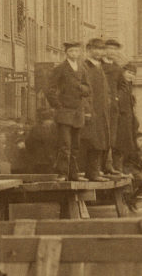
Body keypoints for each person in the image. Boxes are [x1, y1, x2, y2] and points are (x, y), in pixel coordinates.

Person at [46, 40, 91, 181]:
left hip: (78, 112)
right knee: (65, 144)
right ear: (66, 53)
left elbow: (88, 88)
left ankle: (74, 174)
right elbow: (50, 89)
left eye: (77, 51)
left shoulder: (83, 69)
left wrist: (81, 89)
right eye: (71, 51)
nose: (74, 54)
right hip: (64, 112)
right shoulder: (60, 68)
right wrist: (58, 106)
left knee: (76, 146)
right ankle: (63, 173)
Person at [80, 37, 111, 181]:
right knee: (91, 142)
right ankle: (91, 173)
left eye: (102, 49)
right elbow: (83, 91)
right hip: (91, 112)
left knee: (101, 141)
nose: (99, 52)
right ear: (88, 50)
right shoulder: (85, 67)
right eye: (96, 49)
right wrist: (87, 110)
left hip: (102, 112)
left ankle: (96, 171)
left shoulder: (99, 68)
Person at [101, 38, 126, 177]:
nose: (113, 52)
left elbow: (123, 86)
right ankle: (100, 167)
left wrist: (117, 97)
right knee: (100, 137)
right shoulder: (99, 66)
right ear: (105, 50)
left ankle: (109, 166)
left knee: (112, 137)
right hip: (100, 107)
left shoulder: (118, 68)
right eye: (110, 49)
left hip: (113, 108)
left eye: (115, 49)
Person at [114, 62, 140, 173]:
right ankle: (119, 168)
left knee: (128, 145)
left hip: (128, 120)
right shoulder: (120, 86)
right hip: (121, 120)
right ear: (123, 72)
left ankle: (125, 168)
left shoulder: (129, 87)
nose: (131, 75)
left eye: (133, 74)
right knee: (120, 144)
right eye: (129, 72)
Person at [22, 109, 59, 174]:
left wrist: (31, 153)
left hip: (37, 160)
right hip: (51, 160)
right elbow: (58, 143)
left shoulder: (35, 128)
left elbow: (28, 142)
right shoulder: (54, 128)